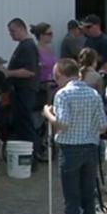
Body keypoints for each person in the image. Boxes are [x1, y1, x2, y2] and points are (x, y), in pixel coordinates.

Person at [42, 58, 107, 214]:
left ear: (62, 74)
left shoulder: (63, 94)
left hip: (70, 149)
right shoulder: (93, 93)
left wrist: (48, 114)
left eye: (56, 77)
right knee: (89, 198)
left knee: (72, 200)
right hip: (90, 148)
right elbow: (103, 125)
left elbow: (63, 124)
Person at [4, 18, 41, 167]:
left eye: (12, 31)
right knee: (21, 125)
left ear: (21, 28)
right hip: (20, 91)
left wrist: (8, 73)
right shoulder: (23, 46)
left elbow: (29, 71)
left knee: (26, 126)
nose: (11, 34)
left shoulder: (28, 47)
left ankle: (32, 159)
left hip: (25, 91)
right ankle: (26, 157)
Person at [32, 22, 58, 163]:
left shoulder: (50, 50)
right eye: (49, 34)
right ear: (41, 36)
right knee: (44, 117)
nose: (51, 36)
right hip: (43, 88)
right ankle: (43, 144)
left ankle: (52, 144)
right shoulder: (37, 51)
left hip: (53, 87)